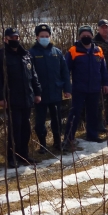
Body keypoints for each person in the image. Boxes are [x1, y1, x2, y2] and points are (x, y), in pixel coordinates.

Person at [0, 27, 42, 168]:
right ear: (5, 39)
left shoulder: (25, 55)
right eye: (11, 38)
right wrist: (1, 97)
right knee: (14, 129)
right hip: (12, 99)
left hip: (27, 97)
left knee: (26, 128)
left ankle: (24, 155)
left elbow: (33, 76)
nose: (14, 40)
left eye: (16, 38)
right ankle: (12, 157)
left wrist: (37, 92)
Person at [63, 25, 108, 148]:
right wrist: (66, 87)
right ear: (79, 37)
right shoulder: (73, 50)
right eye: (83, 35)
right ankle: (68, 138)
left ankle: (92, 135)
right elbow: (65, 70)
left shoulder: (98, 50)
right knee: (75, 113)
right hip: (79, 88)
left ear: (92, 36)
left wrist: (105, 83)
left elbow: (103, 69)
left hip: (94, 88)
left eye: (88, 35)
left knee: (93, 113)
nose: (86, 37)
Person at [28, 24, 71, 153]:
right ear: (37, 37)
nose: (45, 38)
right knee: (40, 122)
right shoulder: (31, 53)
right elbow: (29, 75)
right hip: (40, 95)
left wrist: (67, 89)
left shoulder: (56, 52)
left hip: (55, 92)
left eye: (47, 36)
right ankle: (43, 145)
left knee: (57, 120)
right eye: (42, 36)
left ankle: (58, 143)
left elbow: (65, 71)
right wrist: (33, 92)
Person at [94, 19, 108, 131]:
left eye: (106, 27)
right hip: (102, 76)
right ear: (98, 29)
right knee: (102, 101)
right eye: (102, 27)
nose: (105, 29)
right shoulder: (95, 43)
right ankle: (100, 124)